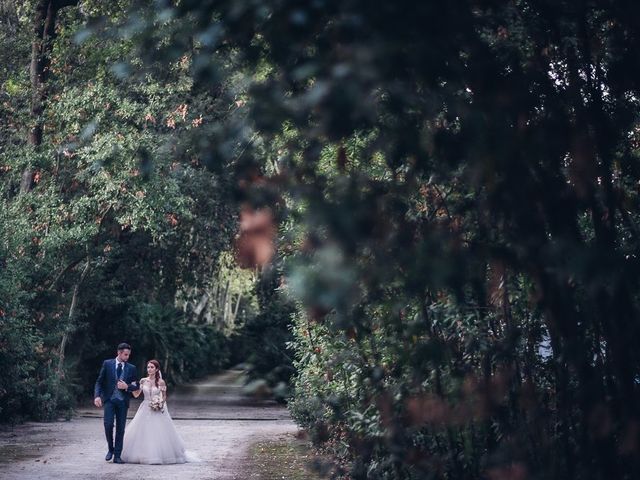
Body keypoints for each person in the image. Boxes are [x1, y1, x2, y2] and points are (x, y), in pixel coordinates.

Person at [121, 359, 197, 464]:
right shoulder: (143, 381)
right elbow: (136, 394)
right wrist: (129, 387)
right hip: (145, 407)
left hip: (157, 409)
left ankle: (159, 455)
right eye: (148, 367)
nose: (149, 369)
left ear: (157, 369)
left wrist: (160, 403)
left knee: (159, 431)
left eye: (152, 367)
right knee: (143, 431)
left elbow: (164, 396)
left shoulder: (161, 382)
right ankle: (142, 454)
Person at [94, 342, 140, 464]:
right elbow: (99, 382)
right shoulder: (107, 364)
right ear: (119, 353)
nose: (127, 357)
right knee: (108, 425)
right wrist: (97, 396)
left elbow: (136, 386)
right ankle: (111, 449)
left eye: (128, 355)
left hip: (123, 402)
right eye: (125, 354)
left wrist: (127, 386)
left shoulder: (132, 368)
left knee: (120, 429)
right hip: (109, 400)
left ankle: (118, 455)